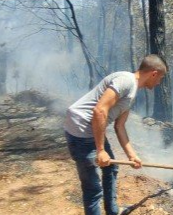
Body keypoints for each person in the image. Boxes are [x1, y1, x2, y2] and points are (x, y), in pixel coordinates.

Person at [63, 54, 167, 215]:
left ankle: (112, 211)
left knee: (111, 168)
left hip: (92, 129)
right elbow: (99, 111)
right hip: (81, 131)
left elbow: (120, 127)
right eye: (160, 78)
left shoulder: (132, 92)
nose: (159, 82)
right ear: (153, 73)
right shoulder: (126, 81)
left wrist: (132, 156)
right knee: (93, 189)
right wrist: (100, 150)